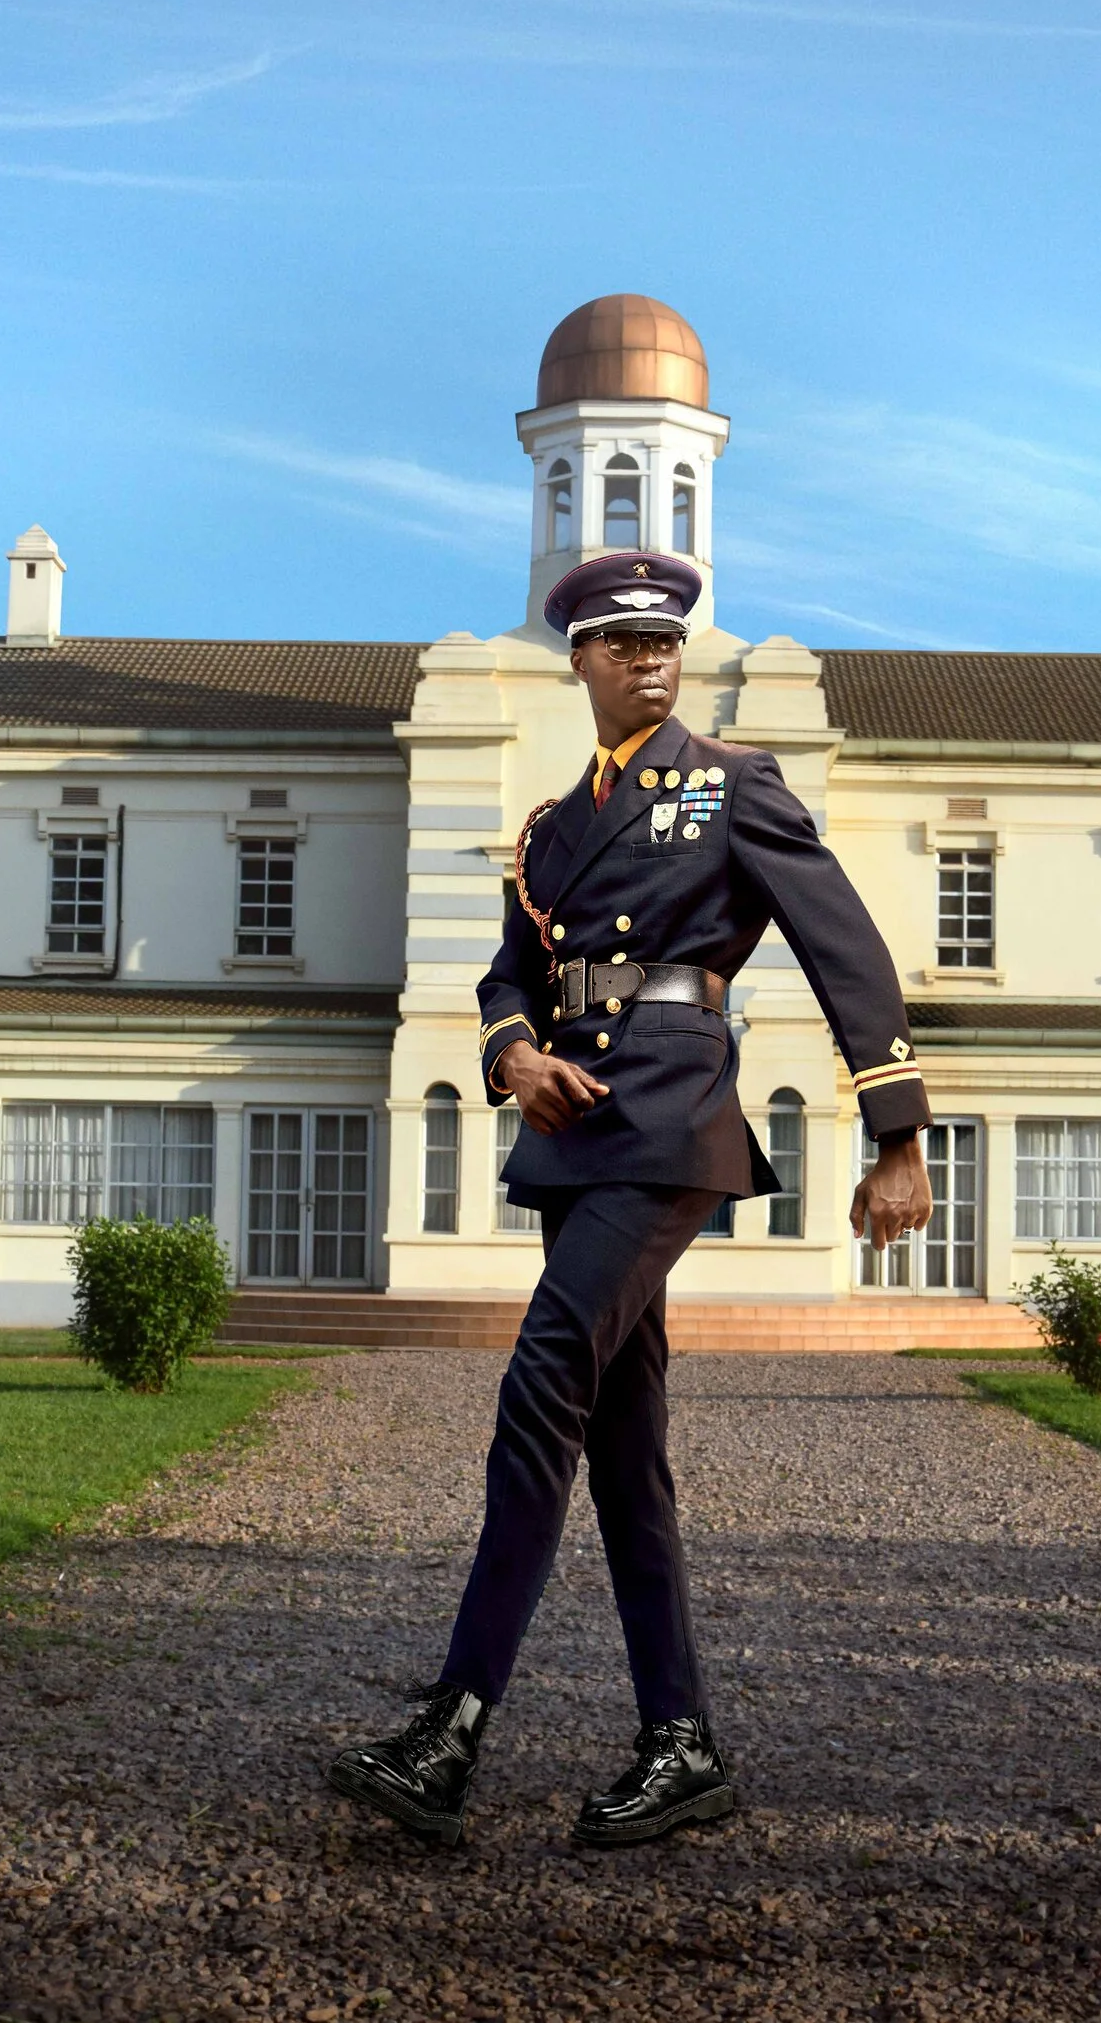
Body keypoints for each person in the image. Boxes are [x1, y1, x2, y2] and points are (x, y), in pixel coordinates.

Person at [327, 550, 934, 1851]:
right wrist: (509, 1053)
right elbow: (506, 972)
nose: (652, 657)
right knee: (619, 1449)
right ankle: (682, 1742)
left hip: (667, 1112)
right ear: (581, 662)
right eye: (621, 642)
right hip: (571, 1125)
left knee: (543, 1375)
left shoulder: (732, 786)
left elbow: (844, 942)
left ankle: (451, 1733)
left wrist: (898, 1131)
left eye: (666, 638)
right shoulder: (548, 827)